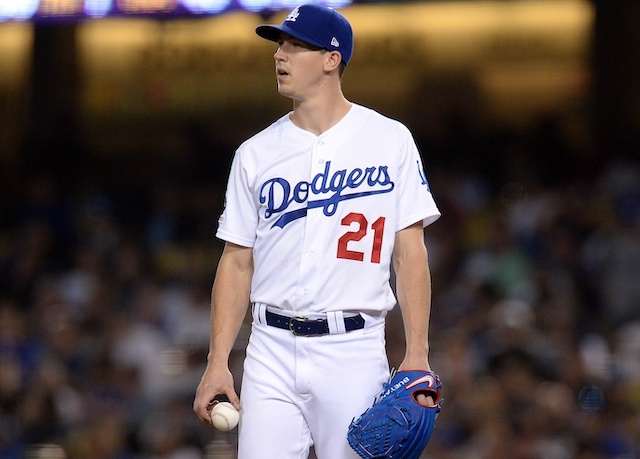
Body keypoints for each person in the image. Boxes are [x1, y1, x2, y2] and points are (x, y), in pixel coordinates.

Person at [193, 4, 441, 458]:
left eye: (294, 45)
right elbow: (236, 260)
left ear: (332, 58)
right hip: (269, 346)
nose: (279, 55)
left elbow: (410, 254)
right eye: (279, 44)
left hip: (353, 348)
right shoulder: (255, 153)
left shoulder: (389, 139)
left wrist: (418, 353)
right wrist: (217, 363)